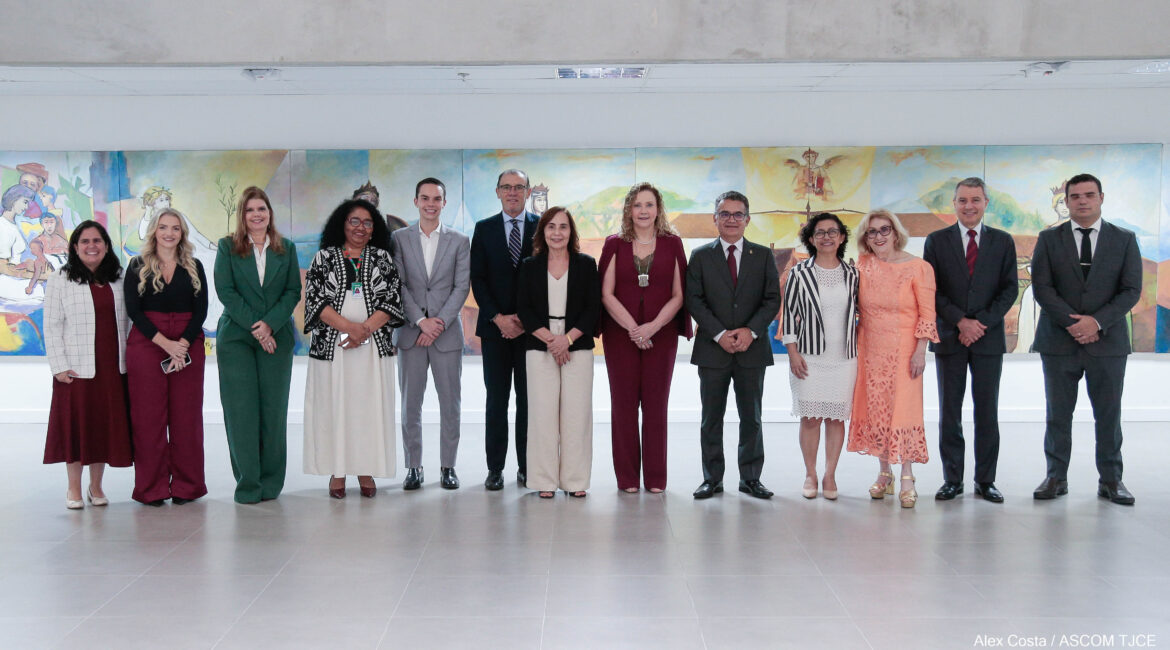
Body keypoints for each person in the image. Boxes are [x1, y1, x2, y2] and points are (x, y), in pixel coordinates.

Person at [1031, 173, 1142, 505]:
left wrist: (1096, 322)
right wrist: (1073, 323)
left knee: (1108, 414)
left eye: (1088, 195)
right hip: (1058, 341)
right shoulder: (1049, 240)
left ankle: (1111, 480)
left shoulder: (1124, 239)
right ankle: (1055, 477)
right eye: (1075, 196)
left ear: (1101, 198)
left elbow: (1131, 290)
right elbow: (1042, 288)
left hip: (1108, 344)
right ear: (1066, 202)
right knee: (1058, 413)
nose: (1082, 201)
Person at [923, 178, 1018, 503]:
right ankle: (952, 480)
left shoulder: (1003, 242)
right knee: (950, 412)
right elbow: (931, 290)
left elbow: (1009, 289)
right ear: (954, 203)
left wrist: (980, 323)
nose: (969, 206)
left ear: (985, 203)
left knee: (986, 412)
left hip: (988, 340)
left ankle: (985, 481)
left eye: (975, 200)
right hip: (950, 337)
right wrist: (960, 321)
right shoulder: (936, 241)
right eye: (962, 200)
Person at [303, 199, 405, 498]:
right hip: (332, 348)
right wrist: (351, 329)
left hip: (373, 348)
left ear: (374, 230)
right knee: (335, 407)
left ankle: (365, 469)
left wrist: (365, 331)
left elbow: (391, 301)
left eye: (367, 223)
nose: (360, 228)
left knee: (367, 409)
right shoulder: (323, 258)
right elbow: (315, 302)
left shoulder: (384, 259)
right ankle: (338, 471)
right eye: (354, 221)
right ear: (342, 225)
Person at [685, 191, 781, 500]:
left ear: (747, 220)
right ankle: (712, 479)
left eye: (738, 214)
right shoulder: (700, 256)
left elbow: (771, 300)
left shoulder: (763, 256)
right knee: (711, 417)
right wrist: (719, 334)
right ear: (714, 219)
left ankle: (751, 479)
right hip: (713, 350)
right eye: (724, 214)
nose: (731, 219)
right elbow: (694, 301)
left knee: (751, 417)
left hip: (752, 350)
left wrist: (750, 331)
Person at [599, 182, 691, 493]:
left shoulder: (673, 244)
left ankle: (655, 478)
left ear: (658, 209)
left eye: (649, 205)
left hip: (661, 338)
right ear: (628, 210)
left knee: (656, 407)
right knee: (623, 407)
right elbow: (606, 293)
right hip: (619, 336)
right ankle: (626, 479)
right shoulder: (614, 244)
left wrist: (651, 327)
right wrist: (633, 329)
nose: (643, 211)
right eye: (637, 205)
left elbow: (679, 295)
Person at [213, 187, 302, 504]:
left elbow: (292, 292)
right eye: (250, 210)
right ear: (243, 215)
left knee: (272, 411)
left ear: (269, 213)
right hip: (237, 338)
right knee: (241, 413)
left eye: (261, 208)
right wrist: (257, 328)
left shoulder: (285, 249)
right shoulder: (227, 247)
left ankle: (271, 483)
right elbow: (226, 291)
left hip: (276, 338)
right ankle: (248, 483)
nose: (256, 214)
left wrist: (270, 326)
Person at [847, 209, 938, 508]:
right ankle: (884, 472)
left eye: (884, 230)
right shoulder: (862, 265)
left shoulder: (918, 267)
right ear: (865, 238)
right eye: (872, 232)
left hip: (905, 352)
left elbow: (927, 312)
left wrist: (920, 351)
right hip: (870, 350)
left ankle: (908, 477)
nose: (878, 236)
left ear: (896, 233)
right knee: (878, 411)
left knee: (904, 411)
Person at [43, 221, 132, 509]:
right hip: (76, 370)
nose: (91, 246)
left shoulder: (119, 277)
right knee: (76, 428)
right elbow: (52, 325)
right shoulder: (61, 278)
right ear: (75, 247)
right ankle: (73, 488)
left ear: (106, 245)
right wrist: (58, 365)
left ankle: (96, 487)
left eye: (97, 240)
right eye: (85, 241)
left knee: (101, 428)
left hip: (112, 367)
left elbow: (131, 321)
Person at [124, 208, 209, 506]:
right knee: (148, 420)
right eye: (163, 227)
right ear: (154, 231)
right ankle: (152, 489)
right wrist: (166, 345)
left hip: (187, 344)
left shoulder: (194, 266)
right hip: (148, 344)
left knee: (186, 419)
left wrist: (181, 345)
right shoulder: (136, 266)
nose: (169, 233)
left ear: (182, 233)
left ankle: (187, 487)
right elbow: (134, 311)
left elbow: (201, 311)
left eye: (175, 228)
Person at [392, 178, 471, 491]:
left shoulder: (459, 240)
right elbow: (398, 285)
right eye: (424, 198)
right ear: (415, 202)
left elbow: (461, 286)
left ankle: (448, 466)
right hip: (411, 335)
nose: (430, 204)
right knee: (410, 405)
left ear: (444, 203)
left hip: (447, 335)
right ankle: (413, 467)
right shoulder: (398, 239)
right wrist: (420, 321)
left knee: (450, 404)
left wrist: (437, 322)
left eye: (436, 199)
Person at [517, 207, 601, 498]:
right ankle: (544, 481)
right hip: (540, 347)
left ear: (571, 232)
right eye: (551, 227)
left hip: (577, 347)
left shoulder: (586, 264)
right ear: (543, 231)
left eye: (563, 227)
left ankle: (575, 482)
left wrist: (566, 340)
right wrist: (552, 341)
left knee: (577, 417)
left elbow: (593, 309)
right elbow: (524, 310)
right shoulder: (529, 265)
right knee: (542, 417)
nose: (557, 233)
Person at [781, 212, 858, 501]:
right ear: (811, 239)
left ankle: (830, 475)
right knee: (811, 418)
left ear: (841, 237)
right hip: (809, 358)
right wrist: (792, 354)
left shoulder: (853, 274)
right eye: (820, 232)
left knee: (836, 420)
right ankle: (810, 474)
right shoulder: (799, 273)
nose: (826, 236)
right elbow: (788, 317)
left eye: (832, 231)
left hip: (845, 358)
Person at [470, 169, 538, 491]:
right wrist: (499, 318)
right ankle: (495, 469)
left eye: (519, 187)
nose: (513, 192)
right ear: (497, 192)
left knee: (528, 401)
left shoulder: (542, 227)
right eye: (506, 187)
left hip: (531, 333)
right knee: (496, 401)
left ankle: (527, 468)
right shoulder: (483, 229)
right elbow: (478, 280)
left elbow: (543, 281)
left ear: (527, 191)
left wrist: (523, 320)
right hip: (495, 331)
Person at [23, 213, 70, 294]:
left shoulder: (61, 240)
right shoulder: (39, 240)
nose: (49, 226)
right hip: (52, 277)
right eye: (46, 222)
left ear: (56, 223)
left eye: (51, 222)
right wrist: (30, 286)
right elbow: (39, 265)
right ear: (41, 224)